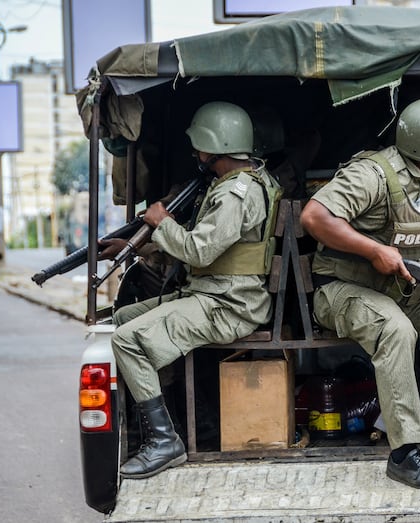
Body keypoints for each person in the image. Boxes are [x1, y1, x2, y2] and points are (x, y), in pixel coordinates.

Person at [300, 97, 420, 490]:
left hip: (404, 290)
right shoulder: (372, 175)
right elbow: (314, 216)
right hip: (342, 291)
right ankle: (405, 454)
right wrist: (372, 249)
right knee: (396, 330)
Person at [105, 101, 281, 479]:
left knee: (126, 341)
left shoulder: (235, 193)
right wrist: (136, 246)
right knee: (123, 318)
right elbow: (205, 248)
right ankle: (185, 420)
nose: (196, 151)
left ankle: (165, 440)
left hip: (229, 305)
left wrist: (162, 221)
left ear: (213, 145)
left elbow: (199, 249)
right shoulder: (246, 181)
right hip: (215, 294)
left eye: (199, 144)